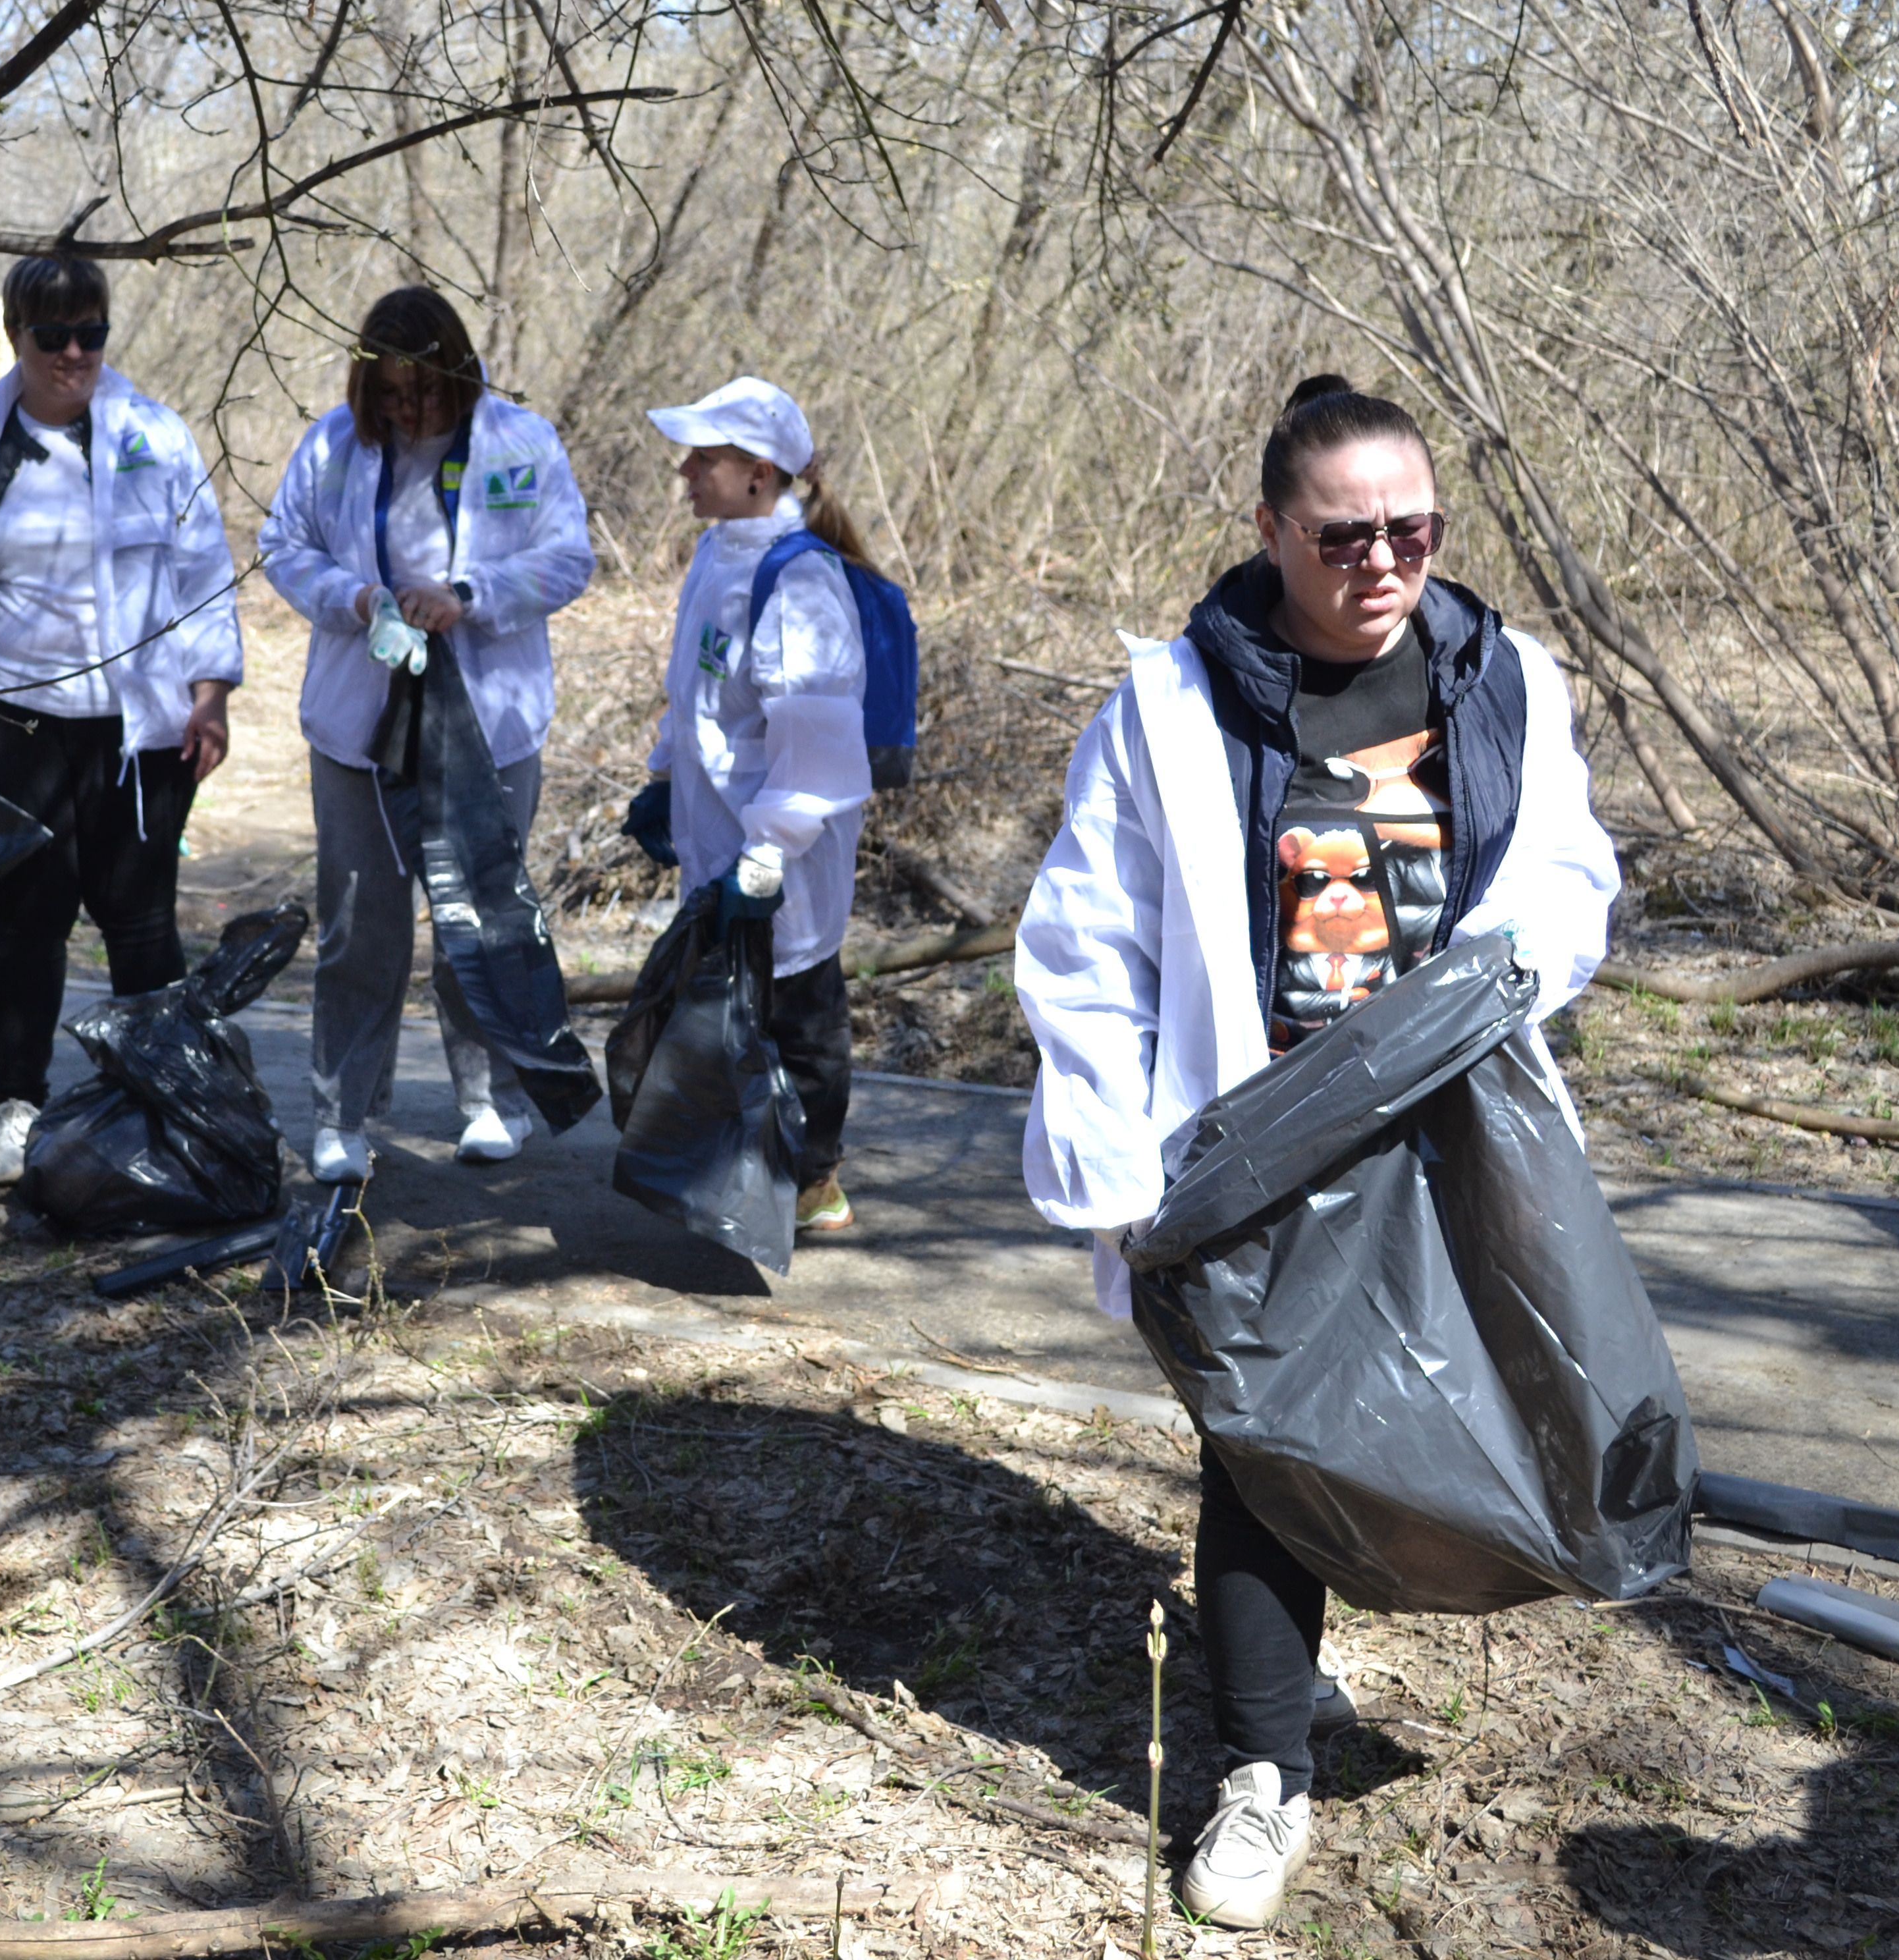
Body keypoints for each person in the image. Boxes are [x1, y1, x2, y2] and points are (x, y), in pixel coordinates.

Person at [1013, 375, 1618, 1928]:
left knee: (1472, 1404)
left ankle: (1329, 1646)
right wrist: (1116, 1166)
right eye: (1344, 532)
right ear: (1273, 526)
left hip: (1449, 1136)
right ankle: (1264, 1769)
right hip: (1256, 1138)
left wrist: (1498, 985)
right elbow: (1087, 940)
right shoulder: (1172, 705)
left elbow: (1564, 875)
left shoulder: (1504, 681)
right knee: (1260, 1443)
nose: (1382, 562)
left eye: (1412, 527)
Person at [0, 252, 241, 1179]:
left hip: (138, 734)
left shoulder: (157, 439)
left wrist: (212, 694)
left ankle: (163, 1109)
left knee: (143, 924)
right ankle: (16, 1109)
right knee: (28, 930)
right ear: (17, 336)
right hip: (13, 726)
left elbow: (204, 576)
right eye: (54, 336)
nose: (75, 353)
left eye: (93, 333)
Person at [258, 286, 594, 1180]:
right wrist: (355, 599)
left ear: (459, 376)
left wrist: (470, 598)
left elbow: (568, 559)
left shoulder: (520, 441)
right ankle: (343, 1117)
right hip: (359, 725)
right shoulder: (332, 444)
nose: (410, 413)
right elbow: (285, 547)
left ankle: (490, 1102)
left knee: (477, 921)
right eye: (392, 396)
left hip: (487, 721)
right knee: (361, 927)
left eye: (426, 393)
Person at [629, 375, 878, 1234]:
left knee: (799, 1002)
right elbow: (694, 690)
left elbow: (816, 737)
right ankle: (740, 1168)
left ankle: (814, 1182)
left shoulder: (800, 583)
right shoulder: (717, 555)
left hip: (782, 849)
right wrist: (663, 778)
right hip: (718, 832)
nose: (688, 472)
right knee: (736, 1002)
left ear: (760, 475)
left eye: (707, 458)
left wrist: (770, 848)